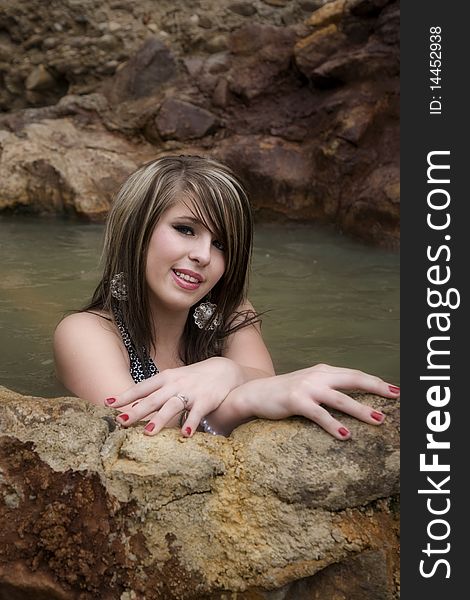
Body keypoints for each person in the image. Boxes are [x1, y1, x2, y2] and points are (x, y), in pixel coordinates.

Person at [53, 155, 399, 440]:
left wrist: (228, 370)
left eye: (221, 244)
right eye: (185, 229)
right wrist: (239, 399)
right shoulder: (84, 333)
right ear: (136, 231)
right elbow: (134, 431)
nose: (204, 255)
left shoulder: (232, 314)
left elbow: (266, 379)